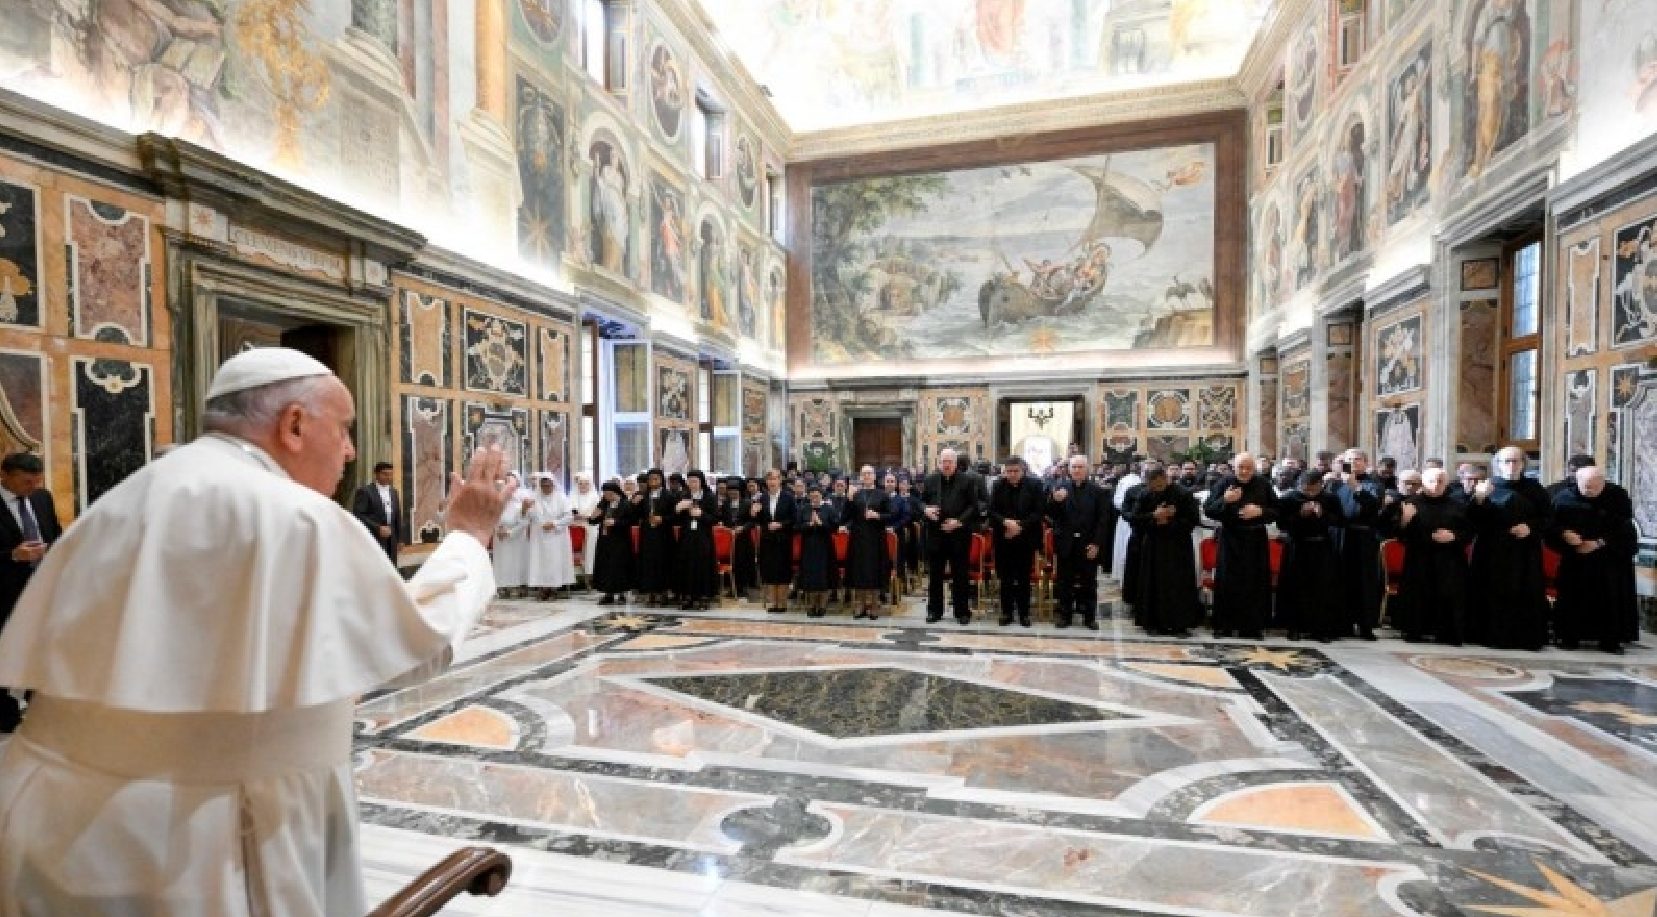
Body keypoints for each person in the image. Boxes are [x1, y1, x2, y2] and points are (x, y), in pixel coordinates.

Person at [0, 347, 505, 915]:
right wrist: (467, 537)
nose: (350, 451)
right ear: (293, 424)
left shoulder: (122, 500)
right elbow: (419, 645)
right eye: (343, 429)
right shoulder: (294, 514)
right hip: (205, 842)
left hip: (55, 823)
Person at [1466, 447, 1552, 650]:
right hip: (1491, 549)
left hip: (1524, 552)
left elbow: (1548, 519)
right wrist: (1478, 499)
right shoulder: (1488, 486)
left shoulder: (1535, 489)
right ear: (1498, 464)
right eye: (1507, 461)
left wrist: (1530, 527)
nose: (1511, 466)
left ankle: (1524, 638)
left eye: (1516, 461)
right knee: (1490, 590)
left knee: (1523, 592)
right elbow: (1471, 519)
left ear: (1523, 464)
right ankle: (1487, 635)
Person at [1548, 466, 1639, 653]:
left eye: (1595, 487)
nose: (1590, 491)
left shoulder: (1618, 497)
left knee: (1610, 599)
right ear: (1577, 482)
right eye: (1586, 487)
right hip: (1576, 559)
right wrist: (1564, 534)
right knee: (1573, 598)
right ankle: (1569, 637)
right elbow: (1551, 525)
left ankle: (1610, 640)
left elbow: (1624, 529)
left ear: (1603, 483)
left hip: (1609, 560)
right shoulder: (1563, 498)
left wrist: (1599, 543)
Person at [0, 452, 60, 734]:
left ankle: (39, 710)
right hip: (4, 594)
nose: (33, 487)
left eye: (37, 481)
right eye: (27, 482)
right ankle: (5, 715)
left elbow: (56, 534)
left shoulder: (42, 498)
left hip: (41, 590)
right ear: (5, 475)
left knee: (42, 650)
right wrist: (12, 555)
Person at [1389, 468, 1472, 644]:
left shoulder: (1458, 506)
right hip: (1419, 558)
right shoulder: (1410, 504)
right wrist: (1405, 520)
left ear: (1446, 483)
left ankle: (1447, 633)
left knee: (1448, 596)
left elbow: (1469, 532)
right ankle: (1415, 631)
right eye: (1432, 481)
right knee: (1418, 596)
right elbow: (1399, 534)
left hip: (1450, 560)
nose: (1436, 485)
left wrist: (1453, 536)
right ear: (1424, 483)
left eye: (1440, 481)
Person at [1203, 453, 1278, 639]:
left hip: (1255, 538)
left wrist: (1260, 511)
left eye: (1248, 468)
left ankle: (1252, 627)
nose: (1244, 471)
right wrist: (1225, 501)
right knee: (1227, 581)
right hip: (1231, 537)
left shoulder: (1263, 484)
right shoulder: (1224, 483)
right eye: (1240, 468)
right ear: (1233, 467)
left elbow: (1278, 510)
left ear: (1254, 468)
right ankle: (1224, 625)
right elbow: (1209, 509)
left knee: (1255, 581)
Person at [1125, 466, 1201, 637]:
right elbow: (1134, 519)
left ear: (1166, 479)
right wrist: (1153, 516)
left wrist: (1169, 521)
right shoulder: (1144, 495)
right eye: (1153, 486)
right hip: (1153, 546)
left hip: (1178, 546)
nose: (1157, 489)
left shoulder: (1183, 494)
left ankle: (1179, 624)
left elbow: (1193, 520)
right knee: (1152, 583)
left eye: (1160, 484)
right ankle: (1152, 622)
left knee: (1178, 585)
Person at [1275, 470, 1347, 642]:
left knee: (1321, 588)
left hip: (1322, 547)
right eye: (1305, 489)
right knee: (1295, 587)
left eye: (1313, 490)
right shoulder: (1288, 498)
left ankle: (1320, 629)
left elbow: (1341, 521)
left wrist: (1323, 514)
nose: (1309, 494)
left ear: (1320, 486)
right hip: (1297, 546)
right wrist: (1300, 515)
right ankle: (1294, 627)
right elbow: (1281, 524)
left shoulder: (1330, 499)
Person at [921, 449, 986, 625]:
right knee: (935, 575)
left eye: (950, 461)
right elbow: (921, 502)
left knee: (960, 575)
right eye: (944, 461)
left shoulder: (967, 480)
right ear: (938, 462)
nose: (947, 464)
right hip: (936, 534)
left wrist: (958, 521)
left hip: (959, 534)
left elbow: (974, 506)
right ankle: (934, 610)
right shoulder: (929, 480)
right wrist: (925, 509)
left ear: (956, 463)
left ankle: (962, 611)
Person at [1046, 455, 1111, 630]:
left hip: (1088, 544)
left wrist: (1097, 543)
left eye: (1080, 467)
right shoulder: (1059, 488)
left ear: (1087, 469)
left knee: (1089, 582)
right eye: (1073, 467)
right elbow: (1051, 515)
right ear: (1069, 469)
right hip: (1066, 543)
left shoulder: (1098, 491)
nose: (1076, 470)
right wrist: (1056, 502)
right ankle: (1065, 615)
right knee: (1064, 582)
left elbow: (1103, 521)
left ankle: (1089, 617)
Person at [1327, 450, 1385, 640]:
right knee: (1341, 580)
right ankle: (1342, 624)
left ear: (1366, 462)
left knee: (1364, 582)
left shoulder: (1374, 484)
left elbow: (1373, 506)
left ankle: (1365, 625)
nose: (1353, 463)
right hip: (1342, 535)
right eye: (1348, 460)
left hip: (1364, 537)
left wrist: (1356, 488)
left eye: (1357, 460)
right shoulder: (1335, 484)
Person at [987, 457, 1045, 627]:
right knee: (1005, 578)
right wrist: (1006, 522)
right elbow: (991, 511)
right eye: (1009, 471)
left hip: (1025, 538)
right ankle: (1006, 612)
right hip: (1004, 538)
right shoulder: (998, 485)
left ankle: (1024, 614)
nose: (1012, 475)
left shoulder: (1035, 485)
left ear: (1023, 471)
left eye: (1015, 471)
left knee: (1023, 578)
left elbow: (1039, 511)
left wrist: (1019, 526)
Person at [842, 465, 896, 620]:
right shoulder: (855, 495)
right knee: (859, 572)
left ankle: (874, 605)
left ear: (874, 476)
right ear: (860, 477)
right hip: (858, 538)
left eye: (869, 473)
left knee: (874, 572)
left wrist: (877, 515)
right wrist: (849, 500)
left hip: (876, 538)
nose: (866, 476)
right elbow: (845, 518)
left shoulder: (882, 495)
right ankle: (859, 604)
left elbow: (891, 515)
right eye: (863, 474)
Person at [675, 470, 720, 611]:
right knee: (686, 565)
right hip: (687, 537)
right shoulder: (683, 495)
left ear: (701, 482)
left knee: (703, 567)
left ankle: (703, 597)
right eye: (689, 481)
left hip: (703, 537)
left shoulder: (709, 496)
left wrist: (701, 514)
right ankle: (688, 596)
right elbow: (677, 520)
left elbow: (715, 519)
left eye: (695, 481)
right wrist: (678, 509)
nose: (692, 484)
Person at [526, 473, 576, 600]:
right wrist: (526, 509)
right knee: (540, 561)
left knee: (555, 561)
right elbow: (529, 515)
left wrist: (554, 523)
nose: (546, 487)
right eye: (543, 485)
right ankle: (543, 588)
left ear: (553, 485)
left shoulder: (561, 497)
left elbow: (569, 516)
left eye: (548, 485)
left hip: (557, 535)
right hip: (539, 535)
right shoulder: (534, 498)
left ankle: (554, 588)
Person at [754, 469, 796, 613]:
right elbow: (758, 520)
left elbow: (794, 519)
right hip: (767, 539)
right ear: (766, 482)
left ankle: (782, 602)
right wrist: (754, 513)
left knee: (782, 571)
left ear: (780, 481)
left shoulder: (788, 497)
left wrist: (781, 524)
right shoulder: (762, 498)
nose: (772, 482)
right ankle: (772, 602)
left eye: (775, 479)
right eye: (769, 479)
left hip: (783, 539)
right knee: (769, 570)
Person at [633, 468, 676, 605]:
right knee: (648, 563)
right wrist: (634, 504)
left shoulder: (669, 496)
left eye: (656, 478)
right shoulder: (643, 496)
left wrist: (662, 519)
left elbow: (675, 516)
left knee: (663, 562)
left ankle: (663, 592)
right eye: (651, 479)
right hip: (648, 534)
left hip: (663, 535)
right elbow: (636, 515)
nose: (653, 481)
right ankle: (650, 592)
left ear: (661, 480)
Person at [588, 481, 632, 605]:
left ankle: (622, 593)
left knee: (619, 566)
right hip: (605, 540)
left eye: (607, 493)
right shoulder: (603, 504)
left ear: (614, 493)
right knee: (605, 566)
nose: (605, 496)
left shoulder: (625, 504)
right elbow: (593, 521)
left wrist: (615, 522)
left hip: (620, 540)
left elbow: (630, 521)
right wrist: (593, 516)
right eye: (604, 494)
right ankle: (608, 594)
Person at [795, 485, 836, 617]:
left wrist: (821, 523)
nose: (814, 497)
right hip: (809, 548)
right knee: (810, 577)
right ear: (808, 496)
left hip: (825, 548)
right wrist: (808, 525)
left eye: (817, 495)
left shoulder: (829, 509)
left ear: (821, 496)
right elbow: (796, 527)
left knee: (823, 577)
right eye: (812, 495)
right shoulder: (803, 509)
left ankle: (822, 606)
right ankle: (812, 605)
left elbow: (835, 526)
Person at [352, 461, 402, 567]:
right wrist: (378, 528)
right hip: (373, 537)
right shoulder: (365, 491)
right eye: (385, 474)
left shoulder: (394, 492)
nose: (388, 477)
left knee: (391, 566)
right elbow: (358, 514)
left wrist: (399, 539)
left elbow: (397, 516)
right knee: (376, 566)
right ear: (376, 474)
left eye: (390, 474)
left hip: (391, 538)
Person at [492, 472, 533, 597]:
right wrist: (497, 530)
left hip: (516, 539)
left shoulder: (519, 505)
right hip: (500, 539)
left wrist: (509, 532)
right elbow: (491, 519)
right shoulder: (496, 504)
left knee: (517, 562)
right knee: (502, 563)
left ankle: (519, 586)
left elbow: (523, 522)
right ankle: (502, 586)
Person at [1109, 463, 1143, 584]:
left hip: (1143, 522)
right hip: (1126, 520)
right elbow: (1117, 500)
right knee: (1124, 550)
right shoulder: (1125, 480)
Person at [570, 471, 600, 581]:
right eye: (581, 483)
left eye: (586, 483)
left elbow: (596, 514)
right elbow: (570, 511)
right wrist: (576, 516)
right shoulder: (572, 496)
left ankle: (590, 574)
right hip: (575, 525)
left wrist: (586, 517)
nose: (583, 486)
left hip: (591, 526)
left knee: (592, 544)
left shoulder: (595, 497)